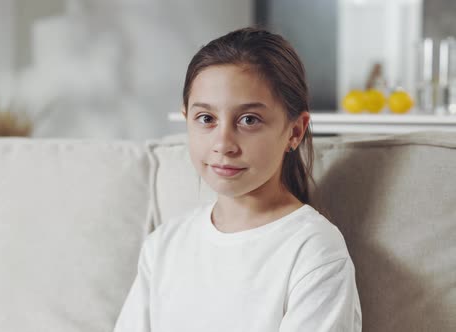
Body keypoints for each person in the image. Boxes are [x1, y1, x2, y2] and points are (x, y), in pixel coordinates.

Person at [113, 26, 362, 332]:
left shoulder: (313, 251)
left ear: (295, 131)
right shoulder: (164, 246)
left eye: (249, 120)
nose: (223, 143)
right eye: (206, 119)